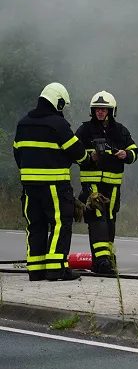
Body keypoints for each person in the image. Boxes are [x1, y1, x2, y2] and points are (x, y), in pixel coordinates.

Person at [13, 82, 89, 282]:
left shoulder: (23, 123)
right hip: (55, 186)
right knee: (60, 223)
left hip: (29, 187)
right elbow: (78, 152)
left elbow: (17, 154)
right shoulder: (58, 124)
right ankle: (56, 268)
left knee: (35, 224)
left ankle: (36, 269)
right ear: (58, 102)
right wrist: (87, 160)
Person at [75, 91, 138, 275]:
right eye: (97, 109)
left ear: (111, 111)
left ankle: (105, 260)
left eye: (103, 109)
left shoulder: (120, 131)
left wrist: (126, 154)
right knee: (97, 219)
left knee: (109, 221)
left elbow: (134, 150)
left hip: (113, 187)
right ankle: (102, 261)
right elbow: (74, 153)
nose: (100, 112)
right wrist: (89, 157)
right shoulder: (84, 130)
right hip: (92, 185)